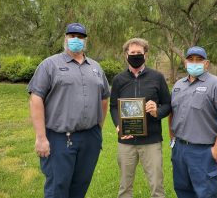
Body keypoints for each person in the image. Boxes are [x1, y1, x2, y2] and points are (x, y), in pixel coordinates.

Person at [28, 23, 110, 198]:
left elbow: (104, 98)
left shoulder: (96, 67)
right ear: (65, 38)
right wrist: (41, 137)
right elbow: (36, 99)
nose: (76, 40)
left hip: (90, 138)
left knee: (80, 186)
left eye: (80, 37)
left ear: (85, 41)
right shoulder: (49, 65)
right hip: (60, 139)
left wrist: (98, 129)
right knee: (58, 187)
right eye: (72, 36)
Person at [169, 46, 217, 198]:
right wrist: (172, 138)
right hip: (179, 150)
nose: (194, 63)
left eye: (199, 60)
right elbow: (172, 113)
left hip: (203, 152)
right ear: (185, 63)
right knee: (183, 191)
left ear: (206, 63)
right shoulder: (178, 85)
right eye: (191, 59)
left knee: (207, 193)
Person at [110, 38, 171, 198]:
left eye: (139, 53)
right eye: (132, 53)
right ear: (126, 55)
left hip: (151, 141)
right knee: (124, 187)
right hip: (126, 141)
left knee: (157, 186)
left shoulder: (157, 77)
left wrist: (156, 111)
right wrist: (118, 125)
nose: (135, 56)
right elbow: (114, 106)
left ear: (146, 55)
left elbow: (168, 104)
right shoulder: (118, 80)